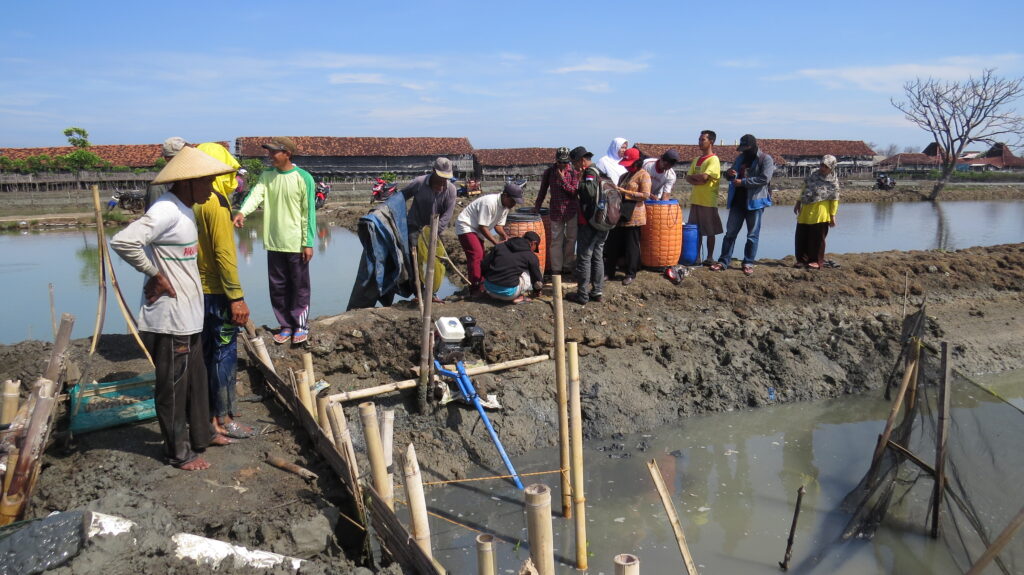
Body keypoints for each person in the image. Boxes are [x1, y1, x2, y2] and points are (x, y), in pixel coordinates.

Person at [110, 146, 237, 471]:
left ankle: (203, 434)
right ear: (188, 181)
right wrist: (154, 274)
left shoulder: (186, 209)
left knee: (196, 381)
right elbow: (124, 241)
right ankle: (177, 452)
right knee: (174, 388)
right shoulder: (166, 210)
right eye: (206, 182)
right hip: (168, 319)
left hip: (189, 316)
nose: (210, 188)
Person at [192, 142, 253, 440]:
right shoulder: (215, 203)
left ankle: (210, 413)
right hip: (216, 291)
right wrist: (236, 297)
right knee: (224, 352)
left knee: (205, 353)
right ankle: (223, 417)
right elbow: (224, 255)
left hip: (195, 290)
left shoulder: (192, 199)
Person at [233, 137, 316, 344]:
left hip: (296, 242)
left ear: (286, 153)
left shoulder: (303, 178)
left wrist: (308, 243)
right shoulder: (267, 176)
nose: (269, 157)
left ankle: (300, 325)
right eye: (269, 152)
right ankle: (285, 325)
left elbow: (309, 213)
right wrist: (242, 212)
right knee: (278, 286)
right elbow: (255, 196)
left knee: (299, 285)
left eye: (273, 152)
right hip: (274, 241)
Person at [711, 134, 775, 276]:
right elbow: (730, 176)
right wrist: (729, 174)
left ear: (753, 146)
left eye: (746, 148)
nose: (743, 151)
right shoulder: (740, 158)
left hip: (755, 202)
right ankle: (723, 261)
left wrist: (744, 182)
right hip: (737, 202)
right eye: (742, 149)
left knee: (752, 235)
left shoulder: (765, 159)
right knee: (730, 234)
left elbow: (764, 178)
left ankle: (748, 262)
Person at [456, 183, 524, 297]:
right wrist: (495, 243)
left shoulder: (505, 207)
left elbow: (498, 226)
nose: (513, 204)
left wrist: (505, 236)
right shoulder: (489, 202)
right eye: (512, 200)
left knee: (482, 257)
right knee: (476, 255)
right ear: (505, 195)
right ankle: (475, 288)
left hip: (477, 229)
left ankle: (482, 284)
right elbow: (483, 226)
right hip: (466, 225)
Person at [604, 148, 651, 286]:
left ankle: (630, 273)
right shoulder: (624, 176)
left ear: (637, 162)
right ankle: (609, 271)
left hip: (635, 215)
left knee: (632, 246)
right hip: (621, 214)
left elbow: (645, 195)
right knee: (613, 243)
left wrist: (625, 192)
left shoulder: (644, 175)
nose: (627, 166)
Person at [566, 146, 606, 305]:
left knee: (584, 257)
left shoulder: (589, 173)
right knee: (597, 256)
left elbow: (588, 192)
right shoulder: (601, 172)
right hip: (604, 221)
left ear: (582, 160)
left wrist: (577, 183)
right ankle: (597, 292)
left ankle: (582, 295)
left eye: (574, 163)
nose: (574, 167)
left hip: (589, 222)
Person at [533, 147, 580, 275]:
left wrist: (562, 180)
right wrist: (537, 207)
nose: (563, 165)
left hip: (571, 210)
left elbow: (574, 192)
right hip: (555, 210)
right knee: (556, 241)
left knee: (571, 239)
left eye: (565, 162)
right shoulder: (549, 172)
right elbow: (542, 191)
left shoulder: (574, 172)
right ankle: (556, 268)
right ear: (556, 160)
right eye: (560, 162)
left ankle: (568, 265)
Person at [401, 157, 458, 250]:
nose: (443, 180)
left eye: (446, 177)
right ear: (433, 171)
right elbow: (401, 196)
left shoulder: (451, 190)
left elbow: (448, 214)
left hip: (436, 230)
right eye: (441, 176)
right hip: (415, 227)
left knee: (436, 256)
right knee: (414, 255)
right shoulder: (419, 182)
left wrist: (433, 231)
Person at [794, 155, 839, 269]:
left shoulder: (832, 181)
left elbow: (834, 199)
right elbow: (804, 188)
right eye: (822, 165)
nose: (822, 168)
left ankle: (816, 261)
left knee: (817, 238)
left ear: (831, 167)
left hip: (821, 211)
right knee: (801, 235)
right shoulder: (813, 175)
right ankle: (801, 260)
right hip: (806, 209)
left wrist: (833, 215)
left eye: (826, 166)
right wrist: (798, 202)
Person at [685, 130, 723, 265]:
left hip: (708, 201)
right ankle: (696, 258)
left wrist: (698, 178)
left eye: (703, 140)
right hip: (696, 200)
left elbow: (705, 177)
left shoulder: (714, 159)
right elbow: (688, 177)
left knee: (710, 230)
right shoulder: (696, 160)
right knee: (696, 231)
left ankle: (710, 257)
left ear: (711, 142)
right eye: (699, 139)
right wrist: (699, 180)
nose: (700, 142)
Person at [481, 230, 544, 303]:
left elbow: (484, 264)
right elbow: (537, 280)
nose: (533, 251)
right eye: (535, 248)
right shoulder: (531, 256)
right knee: (531, 271)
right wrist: (537, 291)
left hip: (489, 289)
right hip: (509, 294)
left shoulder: (500, 246)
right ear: (533, 243)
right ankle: (520, 296)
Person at [145, 136, 189, 210]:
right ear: (168, 159)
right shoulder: (158, 187)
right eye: (181, 156)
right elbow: (154, 218)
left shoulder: (189, 180)